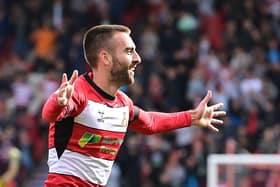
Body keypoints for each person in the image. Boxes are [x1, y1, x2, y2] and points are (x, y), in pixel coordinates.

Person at [42, 24, 226, 187]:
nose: (138, 58)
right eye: (129, 51)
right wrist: (59, 101)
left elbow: (150, 123)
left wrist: (192, 117)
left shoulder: (123, 104)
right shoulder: (77, 93)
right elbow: (50, 114)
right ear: (105, 58)